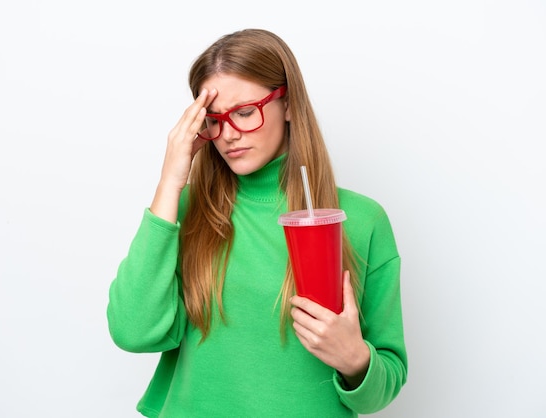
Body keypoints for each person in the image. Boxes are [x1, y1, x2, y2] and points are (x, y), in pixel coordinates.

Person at [107, 28, 407, 417]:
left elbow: (386, 383)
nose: (228, 134)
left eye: (245, 112)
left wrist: (355, 359)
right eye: (214, 120)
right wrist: (170, 182)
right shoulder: (184, 209)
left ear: (288, 103)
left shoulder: (362, 220)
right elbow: (132, 331)